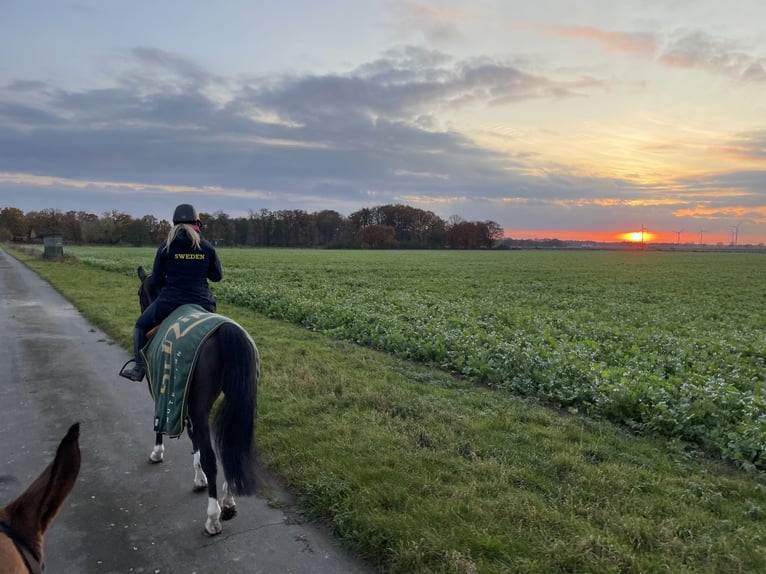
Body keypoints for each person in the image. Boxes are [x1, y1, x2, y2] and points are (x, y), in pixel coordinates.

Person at [119, 203, 223, 382]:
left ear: (174, 224)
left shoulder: (166, 247)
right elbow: (217, 277)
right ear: (197, 223)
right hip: (203, 303)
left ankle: (139, 368)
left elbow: (156, 280)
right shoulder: (206, 247)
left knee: (140, 325)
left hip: (171, 302)